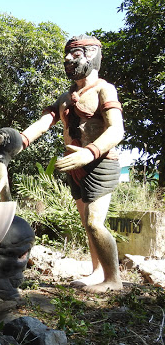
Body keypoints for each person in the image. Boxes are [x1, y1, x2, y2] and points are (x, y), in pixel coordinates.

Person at [19, 34, 124, 293]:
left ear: (93, 56)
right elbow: (45, 122)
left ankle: (114, 280)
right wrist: (20, 140)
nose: (68, 58)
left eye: (75, 53)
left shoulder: (104, 89)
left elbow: (117, 130)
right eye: (67, 54)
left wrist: (90, 152)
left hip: (99, 163)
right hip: (74, 166)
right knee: (86, 222)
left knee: (94, 223)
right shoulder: (67, 96)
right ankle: (97, 271)